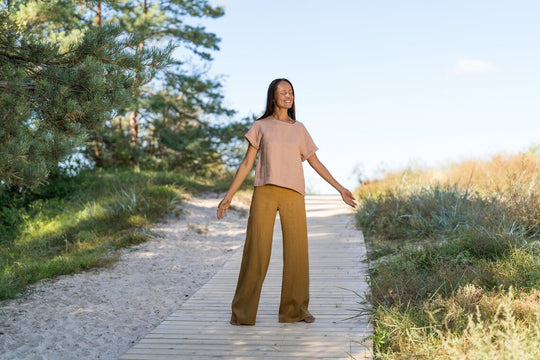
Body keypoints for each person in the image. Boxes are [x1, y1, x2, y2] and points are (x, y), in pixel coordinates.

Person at [217, 78, 356, 326]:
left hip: (293, 193)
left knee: (297, 252)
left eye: (290, 92)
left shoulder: (299, 129)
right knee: (256, 250)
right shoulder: (261, 126)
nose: (287, 96)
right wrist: (229, 196)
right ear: (273, 97)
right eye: (283, 92)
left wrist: (340, 189)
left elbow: (315, 162)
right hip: (265, 192)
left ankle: (294, 310)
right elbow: (247, 163)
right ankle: (242, 313)